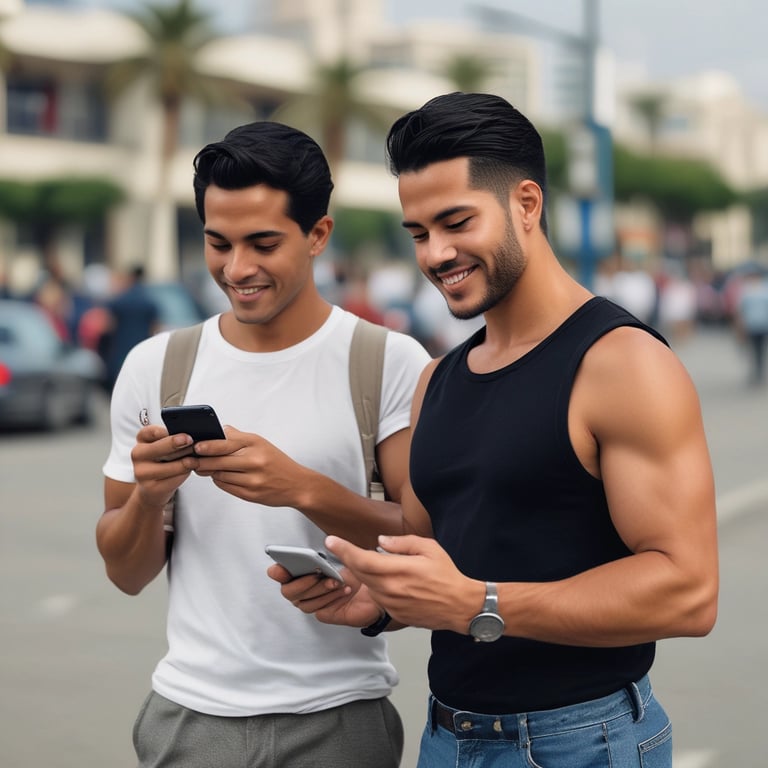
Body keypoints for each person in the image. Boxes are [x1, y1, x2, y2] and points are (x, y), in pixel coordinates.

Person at [272, 93, 719, 768]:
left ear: (527, 204)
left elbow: (688, 591)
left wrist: (477, 603)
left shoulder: (622, 364)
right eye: (418, 233)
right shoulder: (437, 379)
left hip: (580, 741)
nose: (436, 253)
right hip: (447, 737)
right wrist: (378, 599)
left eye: (456, 222)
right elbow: (438, 555)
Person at [95, 121, 430, 768]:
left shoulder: (386, 362)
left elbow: (430, 538)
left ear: (318, 236)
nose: (237, 267)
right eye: (218, 243)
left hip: (339, 718)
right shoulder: (156, 366)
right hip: (190, 719)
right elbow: (126, 573)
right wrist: (147, 499)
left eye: (263, 243)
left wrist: (302, 488)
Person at [102, 265, 160, 391]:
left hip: (121, 350)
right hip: (143, 350)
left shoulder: (119, 301)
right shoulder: (149, 301)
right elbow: (155, 327)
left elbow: (109, 326)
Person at [734, 267, 768, 385]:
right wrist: (740, 324)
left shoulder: (765, 288)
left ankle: (760, 371)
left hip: (763, 325)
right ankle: (754, 371)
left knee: (761, 350)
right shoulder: (746, 290)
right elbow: (740, 309)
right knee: (752, 349)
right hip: (751, 325)